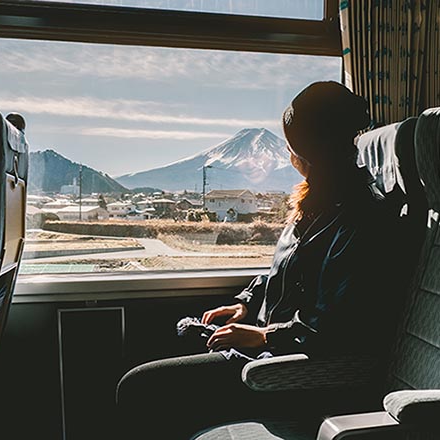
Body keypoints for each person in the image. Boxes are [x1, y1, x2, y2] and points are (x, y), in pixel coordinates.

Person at [115, 81, 401, 439]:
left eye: (291, 144)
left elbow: (334, 325)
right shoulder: (316, 205)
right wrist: (245, 303)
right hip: (269, 348)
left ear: (307, 151)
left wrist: (262, 337)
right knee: (151, 343)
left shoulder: (363, 219)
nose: (287, 152)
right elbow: (287, 273)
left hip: (289, 372)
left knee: (140, 388)